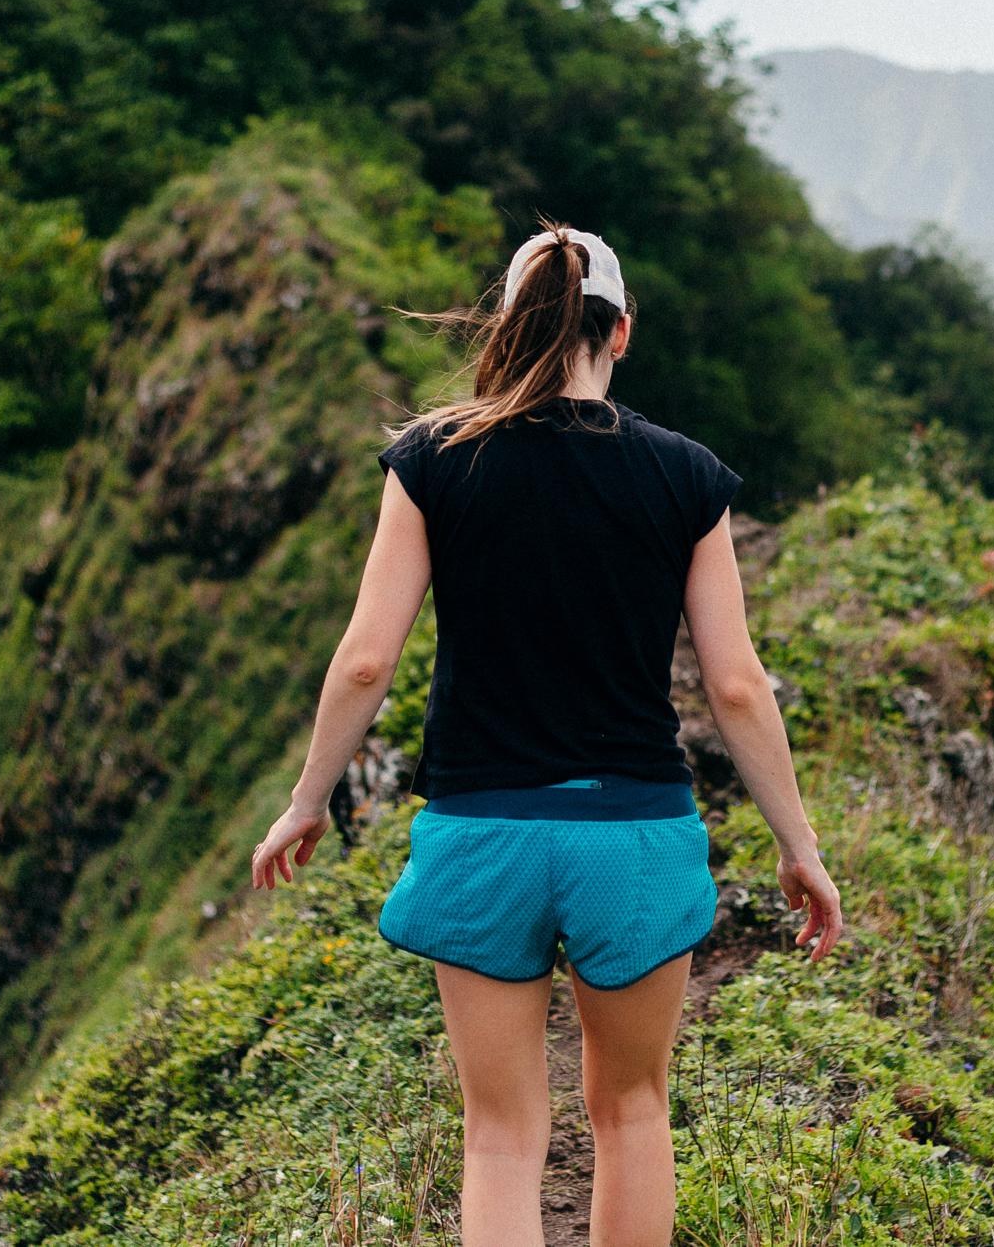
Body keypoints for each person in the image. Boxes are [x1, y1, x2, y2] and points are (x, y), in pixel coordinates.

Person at [250, 221, 843, 1246]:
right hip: (636, 833)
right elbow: (737, 686)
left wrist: (308, 799)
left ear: (507, 327)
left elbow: (363, 659)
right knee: (632, 1111)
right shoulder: (686, 476)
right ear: (623, 332)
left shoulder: (434, 459)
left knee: (499, 1132)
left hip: (482, 830)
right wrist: (801, 847)